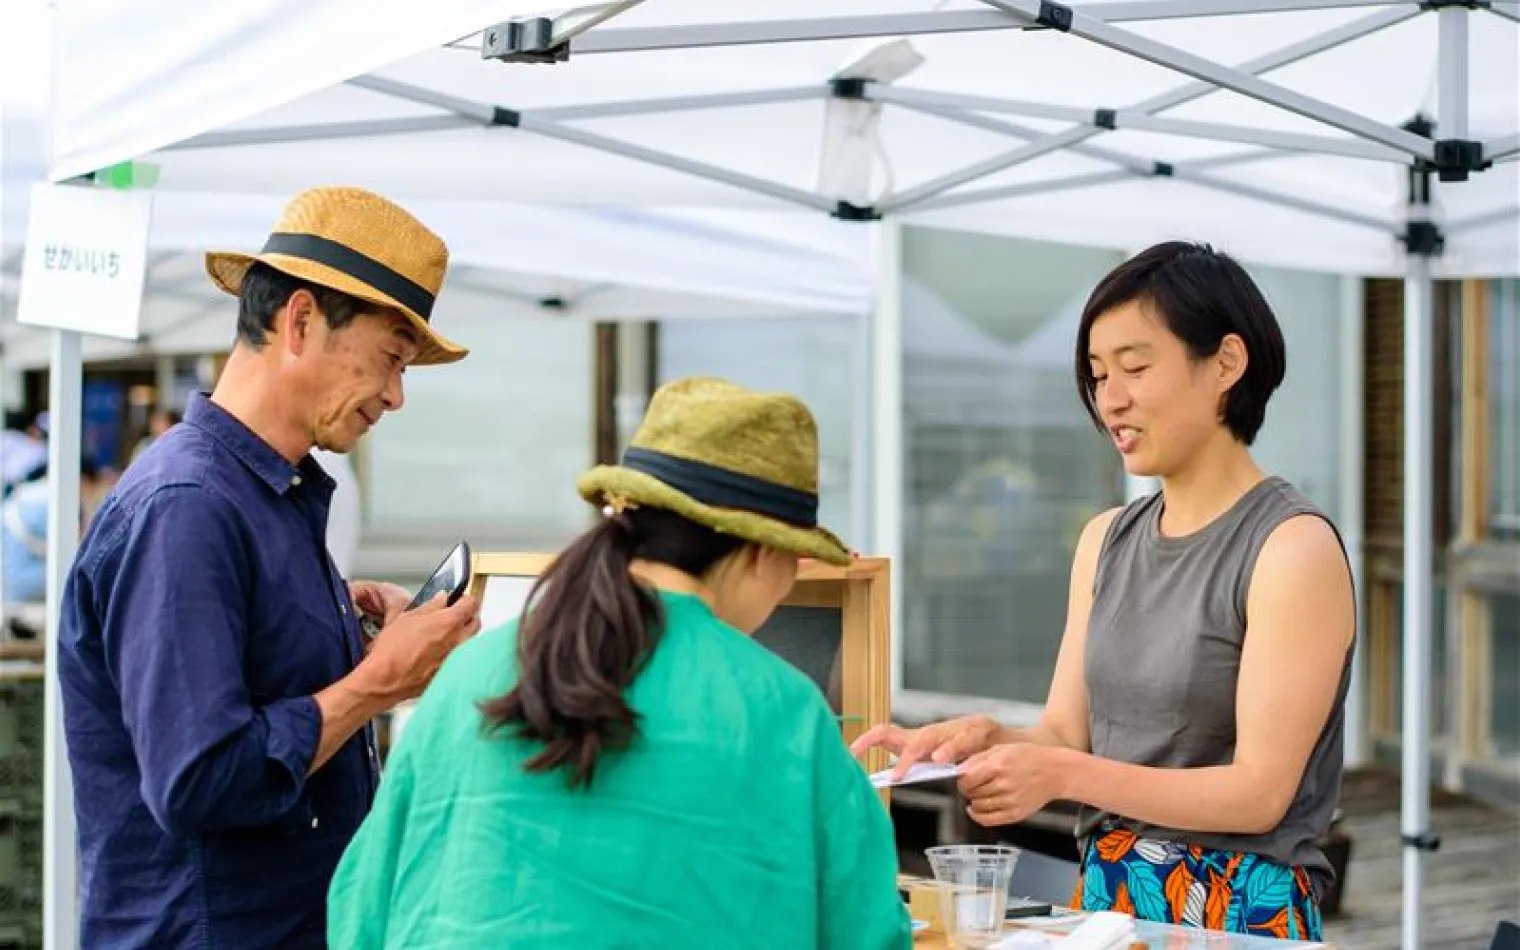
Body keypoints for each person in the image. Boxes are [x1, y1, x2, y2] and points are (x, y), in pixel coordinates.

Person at [852, 242, 1355, 941]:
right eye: (1096, 375)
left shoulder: (1290, 547)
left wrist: (1059, 772)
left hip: (1239, 911)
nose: (1109, 399)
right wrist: (982, 742)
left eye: (1136, 368)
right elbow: (1067, 732)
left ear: (1226, 364)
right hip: (1108, 904)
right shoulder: (1105, 540)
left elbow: (1260, 793)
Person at [326, 377, 913, 950]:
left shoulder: (471, 673)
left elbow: (360, 907)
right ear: (762, 551)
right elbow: (867, 930)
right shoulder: (785, 709)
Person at [57, 186, 483, 950]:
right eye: (390, 358)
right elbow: (200, 777)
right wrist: (377, 681)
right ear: (300, 320)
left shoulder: (260, 495)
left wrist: (339, 628)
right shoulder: (188, 505)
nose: (395, 395)